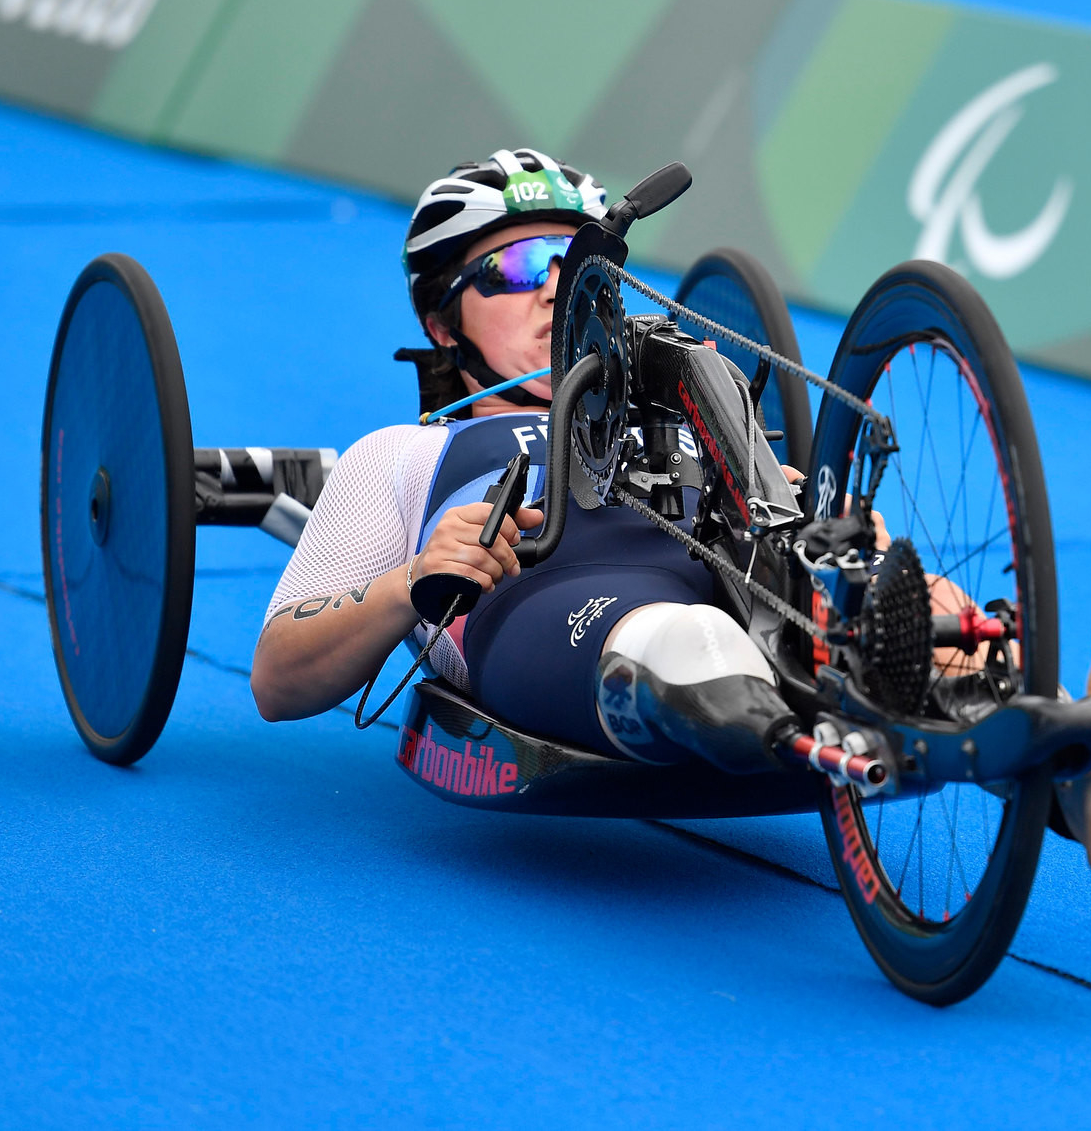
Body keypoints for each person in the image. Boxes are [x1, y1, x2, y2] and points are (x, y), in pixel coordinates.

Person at [250, 147, 798, 775]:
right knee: (688, 643)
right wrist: (415, 580)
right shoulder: (403, 452)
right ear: (443, 324)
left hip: (737, 584)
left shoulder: (687, 413)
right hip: (557, 598)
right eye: (517, 266)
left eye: (577, 264)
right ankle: (763, 714)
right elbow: (275, 679)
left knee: (914, 602)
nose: (555, 288)